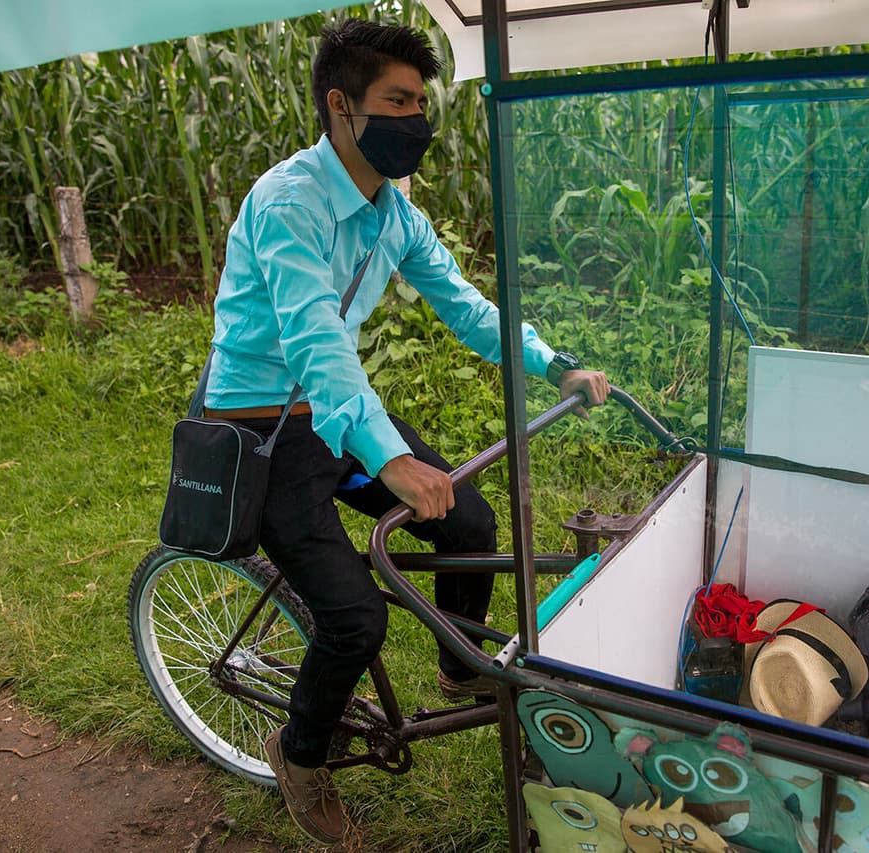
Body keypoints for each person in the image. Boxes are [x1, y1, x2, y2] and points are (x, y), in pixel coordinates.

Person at [202, 19, 609, 844]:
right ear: (342, 106)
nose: (417, 119)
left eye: (423, 102)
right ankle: (300, 753)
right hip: (264, 432)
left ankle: (463, 667)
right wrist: (386, 456)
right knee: (354, 619)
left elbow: (465, 305)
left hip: (332, 414)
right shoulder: (289, 203)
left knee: (468, 519)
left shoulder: (393, 210)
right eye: (399, 100)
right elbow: (315, 338)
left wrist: (552, 361)